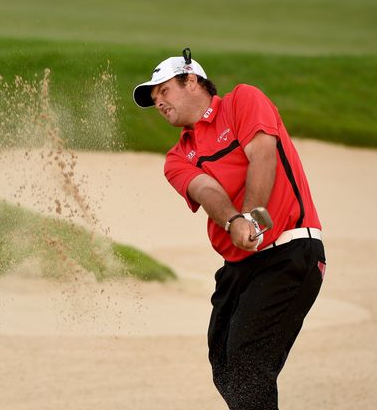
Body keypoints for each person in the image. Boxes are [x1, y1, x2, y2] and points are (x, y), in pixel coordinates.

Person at [133, 49, 326, 410]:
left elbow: (263, 154)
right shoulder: (177, 158)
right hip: (238, 268)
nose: (159, 102)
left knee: (246, 361)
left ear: (191, 80)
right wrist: (233, 221)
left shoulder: (241, 101)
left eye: (164, 91)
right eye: (154, 98)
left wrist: (252, 218)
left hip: (289, 252)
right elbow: (206, 190)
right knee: (224, 364)